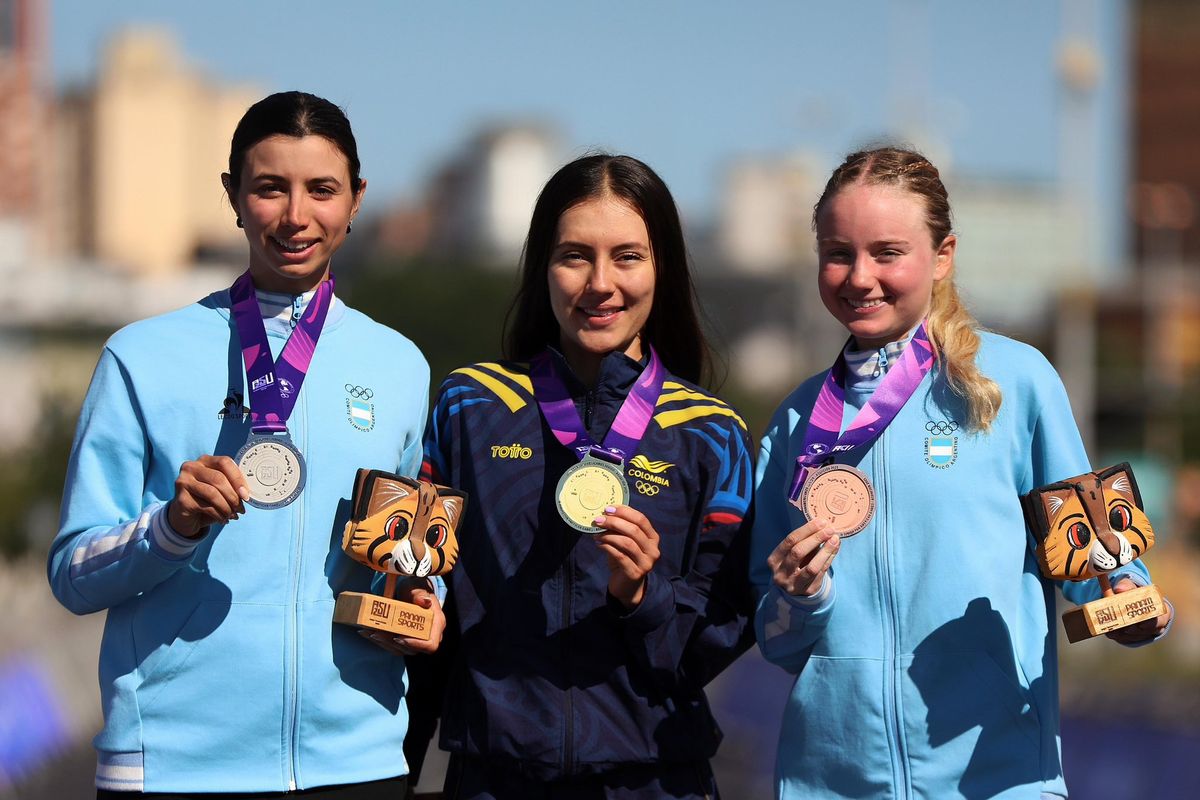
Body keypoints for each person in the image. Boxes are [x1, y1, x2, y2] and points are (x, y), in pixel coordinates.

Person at [48, 91, 440, 798]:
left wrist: (419, 597)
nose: (296, 216)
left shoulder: (400, 365)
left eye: (322, 189)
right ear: (233, 197)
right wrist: (173, 527)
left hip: (357, 763)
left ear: (356, 200)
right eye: (269, 188)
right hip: (175, 765)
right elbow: (72, 573)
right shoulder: (142, 356)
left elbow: (410, 546)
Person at [750, 146, 1173, 799]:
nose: (860, 276)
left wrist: (1130, 603)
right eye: (838, 253)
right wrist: (802, 598)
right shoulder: (795, 420)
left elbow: (1103, 566)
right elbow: (774, 640)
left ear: (942, 255)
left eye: (887, 252)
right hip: (831, 784)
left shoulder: (1018, 382)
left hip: (998, 781)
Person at [413, 154, 755, 798]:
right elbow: (415, 580)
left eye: (628, 256)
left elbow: (722, 634)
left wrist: (643, 595)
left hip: (654, 781)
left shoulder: (712, 433)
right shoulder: (471, 407)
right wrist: (406, 605)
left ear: (664, 269)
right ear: (542, 266)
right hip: (492, 779)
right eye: (575, 255)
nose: (600, 283)